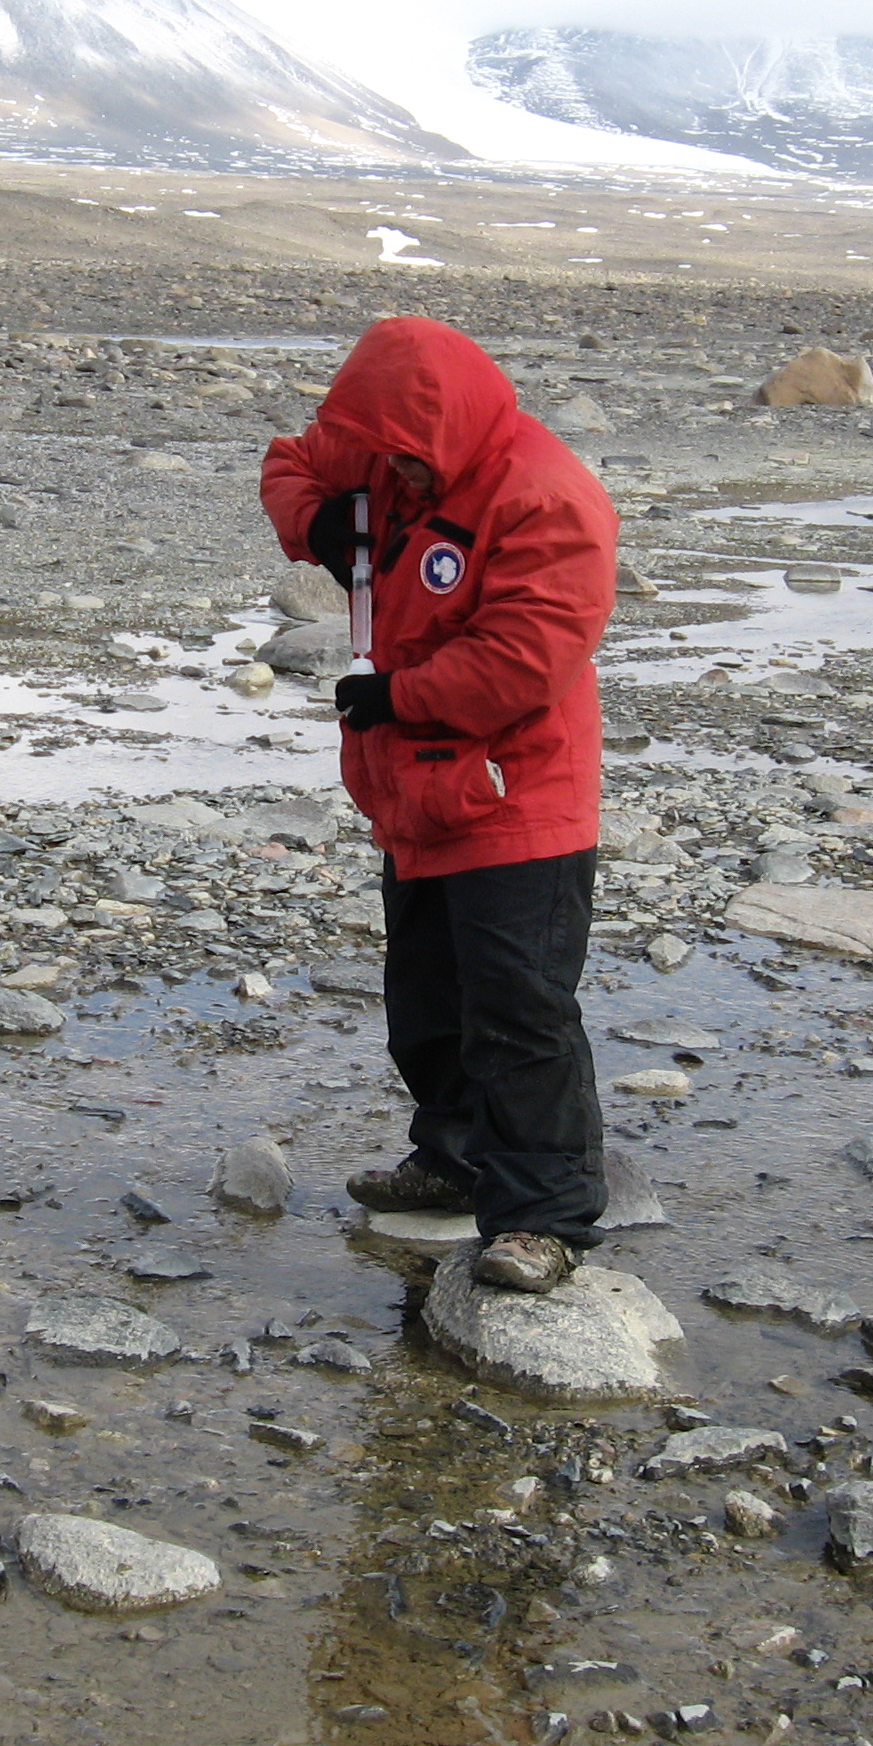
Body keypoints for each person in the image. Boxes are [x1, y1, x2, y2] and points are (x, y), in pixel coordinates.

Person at [260, 315, 621, 1294]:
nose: (401, 479)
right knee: (425, 1004)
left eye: (416, 466)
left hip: (518, 791)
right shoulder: (382, 443)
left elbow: (523, 659)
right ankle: (454, 1159)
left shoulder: (548, 499)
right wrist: (319, 521)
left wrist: (398, 697)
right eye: (391, 463)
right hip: (416, 794)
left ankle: (542, 1219)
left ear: (453, 430)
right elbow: (291, 463)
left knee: (519, 1012)